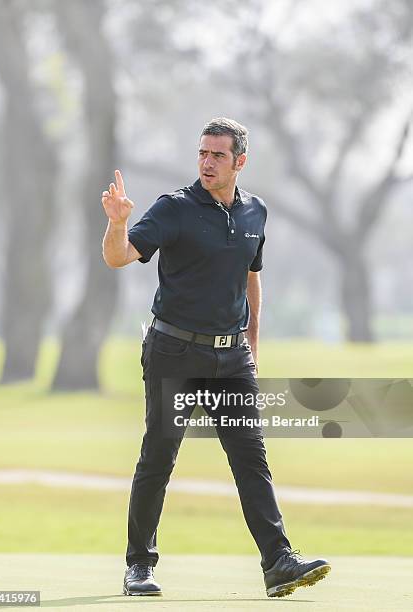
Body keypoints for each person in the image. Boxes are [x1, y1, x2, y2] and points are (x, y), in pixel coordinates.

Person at [101, 117, 331, 598]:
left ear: (240, 161)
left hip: (232, 359)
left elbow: (252, 276)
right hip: (173, 353)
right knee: (158, 458)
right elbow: (119, 257)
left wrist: (253, 343)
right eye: (202, 153)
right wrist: (117, 222)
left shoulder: (256, 213)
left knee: (252, 459)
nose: (207, 162)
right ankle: (139, 565)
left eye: (218, 155)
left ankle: (277, 562)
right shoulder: (175, 208)